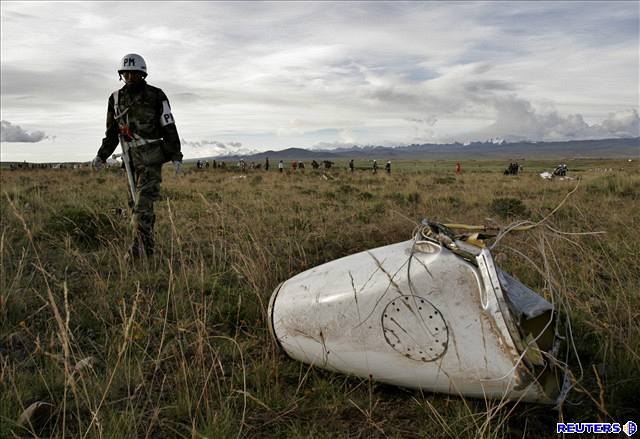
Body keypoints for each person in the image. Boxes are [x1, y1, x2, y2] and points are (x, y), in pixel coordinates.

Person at [92, 53, 182, 258]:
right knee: (135, 205)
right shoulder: (115, 98)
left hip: (151, 158)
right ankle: (148, 248)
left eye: (134, 73)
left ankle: (136, 251)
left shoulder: (156, 95)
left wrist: (176, 154)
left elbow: (168, 124)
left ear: (143, 74)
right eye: (126, 73)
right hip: (129, 159)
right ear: (121, 74)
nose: (130, 77)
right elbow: (112, 133)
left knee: (142, 207)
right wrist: (102, 155)